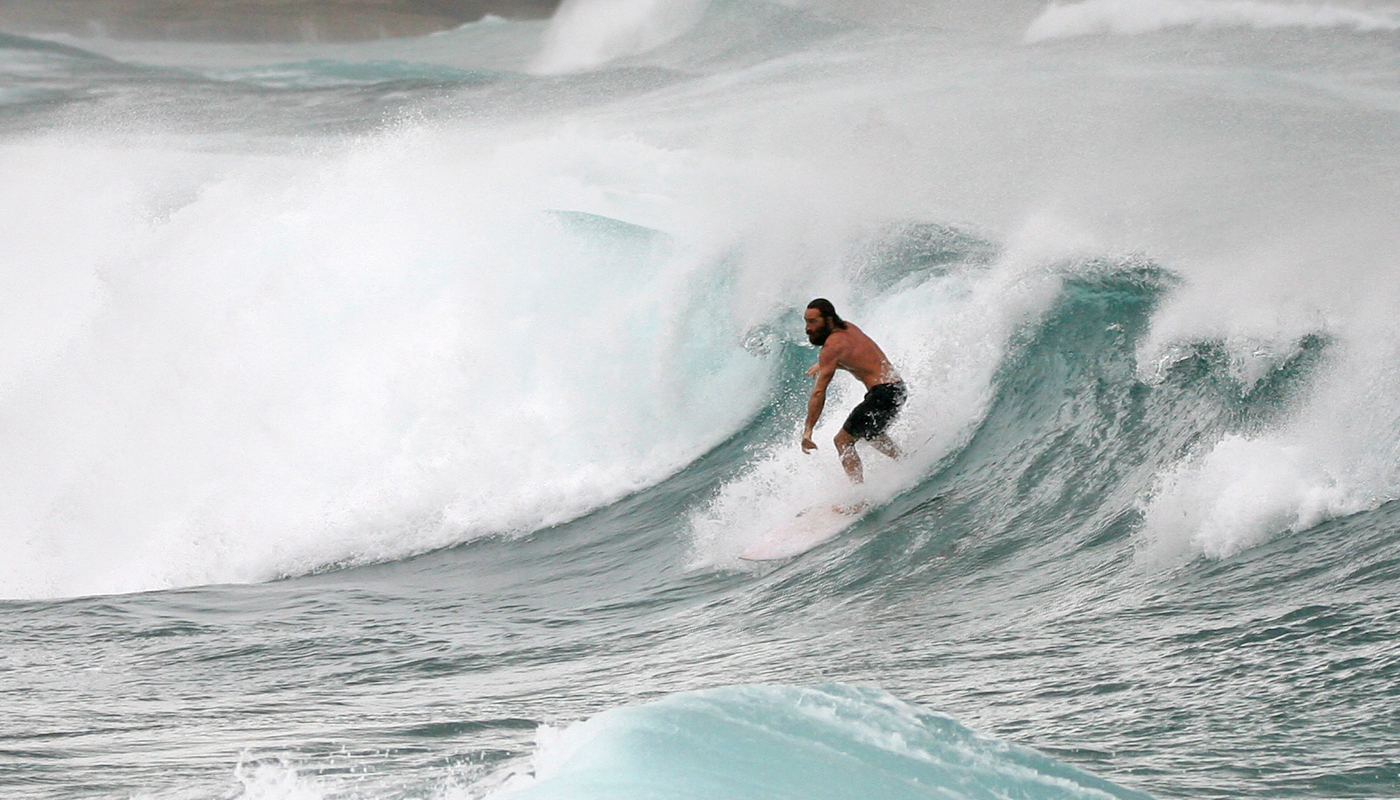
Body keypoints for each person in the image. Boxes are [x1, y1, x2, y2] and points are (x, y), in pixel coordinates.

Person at [801, 298, 906, 489]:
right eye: (806, 321)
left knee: (842, 441)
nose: (808, 328)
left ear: (829, 320)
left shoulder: (830, 348)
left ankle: (858, 496)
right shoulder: (849, 328)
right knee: (872, 434)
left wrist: (808, 429)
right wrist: (825, 365)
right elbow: (858, 358)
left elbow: (818, 392)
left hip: (882, 394)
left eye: (813, 321)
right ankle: (907, 462)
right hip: (896, 388)